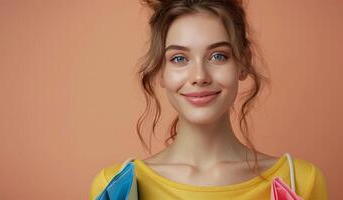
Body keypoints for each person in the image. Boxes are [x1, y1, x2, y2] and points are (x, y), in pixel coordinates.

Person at [89, 0, 328, 199]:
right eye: (179, 58)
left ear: (243, 63)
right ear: (160, 70)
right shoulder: (113, 187)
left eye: (218, 56)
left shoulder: (301, 181)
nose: (200, 76)